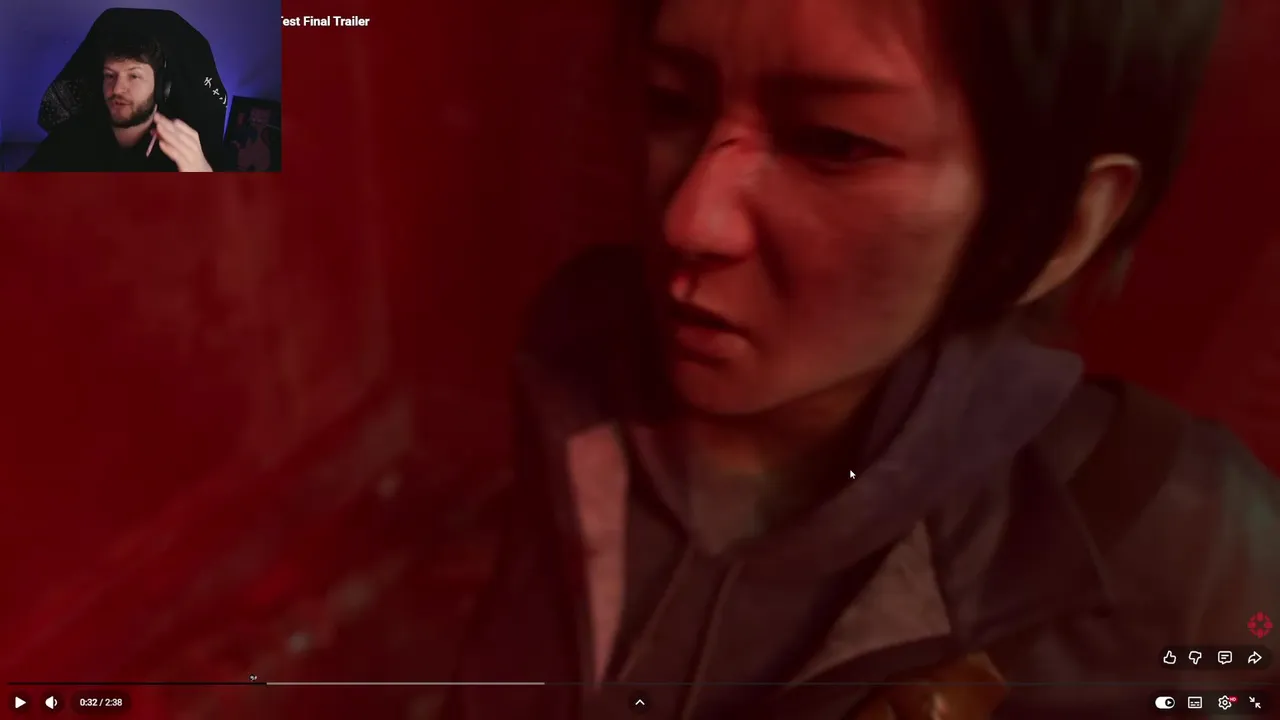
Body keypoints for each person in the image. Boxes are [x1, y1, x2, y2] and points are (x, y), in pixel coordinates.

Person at [446, 1, 1280, 718]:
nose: (690, 221)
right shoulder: (582, 351)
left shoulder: (1183, 537)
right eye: (670, 101)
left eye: (834, 143)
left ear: (1064, 225)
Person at [20, 30, 213, 172]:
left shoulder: (186, 149)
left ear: (161, 87)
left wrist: (203, 175)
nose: (117, 89)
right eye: (110, 76)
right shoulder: (70, 137)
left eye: (134, 76)